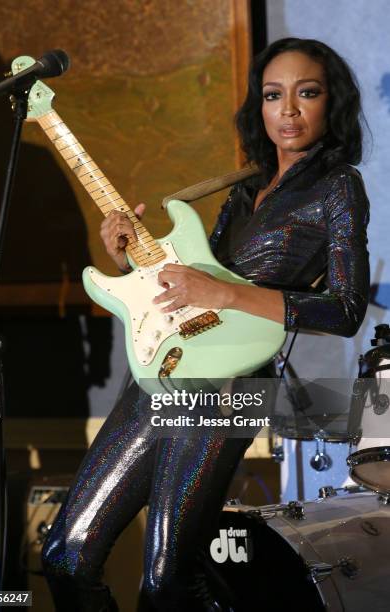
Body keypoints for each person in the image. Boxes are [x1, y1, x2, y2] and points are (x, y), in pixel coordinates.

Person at [41, 37, 370, 611]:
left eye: (306, 93)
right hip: (164, 372)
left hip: (234, 389)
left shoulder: (338, 188)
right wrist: (129, 259)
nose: (288, 110)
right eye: (274, 95)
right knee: (65, 556)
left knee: (167, 580)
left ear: (330, 104)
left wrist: (225, 292)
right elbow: (189, 276)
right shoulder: (243, 188)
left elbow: (345, 311)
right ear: (258, 107)